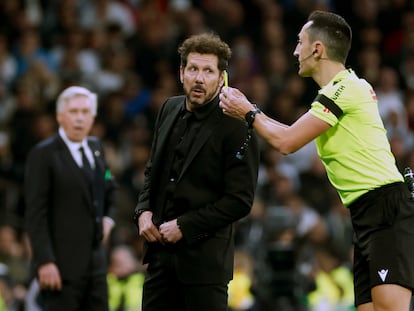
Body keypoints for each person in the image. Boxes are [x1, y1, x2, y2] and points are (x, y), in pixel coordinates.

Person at [219, 10, 414, 311]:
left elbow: (286, 143)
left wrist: (247, 111)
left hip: (385, 208)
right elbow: (287, 133)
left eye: (300, 43)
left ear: (317, 49)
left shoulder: (345, 89)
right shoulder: (337, 92)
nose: (295, 51)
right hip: (364, 214)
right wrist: (248, 110)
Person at [133, 32, 260, 311]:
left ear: (221, 77)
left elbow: (240, 200)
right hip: (159, 262)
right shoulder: (169, 108)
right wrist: (142, 211)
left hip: (205, 267)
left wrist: (184, 225)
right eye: (193, 69)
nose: (199, 78)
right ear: (181, 73)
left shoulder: (237, 125)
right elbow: (152, 170)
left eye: (208, 71)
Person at [24, 86, 117, 310]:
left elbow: (109, 188)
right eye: (74, 112)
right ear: (60, 116)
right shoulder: (43, 154)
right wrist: (45, 261)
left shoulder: (97, 149)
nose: (79, 118)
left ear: (93, 117)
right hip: (59, 267)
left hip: (95, 265)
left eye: (85, 112)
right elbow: (36, 214)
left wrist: (108, 220)